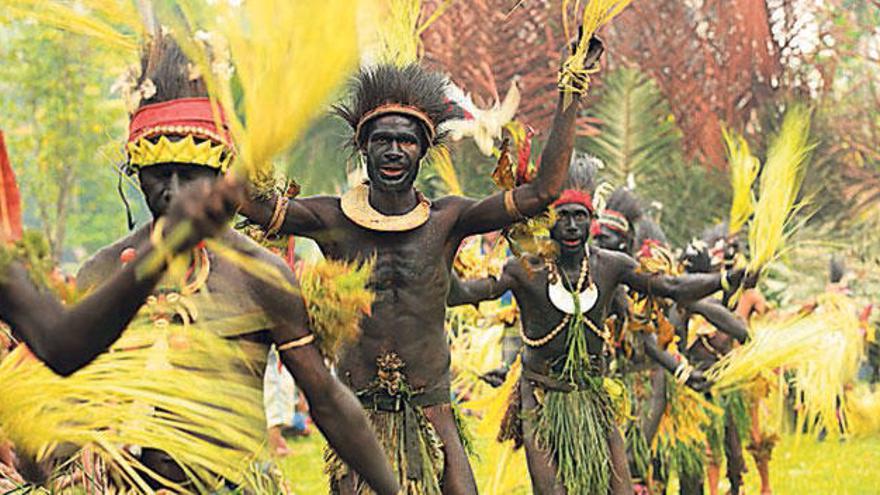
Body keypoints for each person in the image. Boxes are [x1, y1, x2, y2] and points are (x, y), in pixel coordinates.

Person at [238, 34, 605, 493]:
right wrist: (249, 97)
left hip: (434, 409)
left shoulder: (449, 220)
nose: (394, 150)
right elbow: (248, 203)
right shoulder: (329, 218)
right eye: (383, 140)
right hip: (360, 415)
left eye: (406, 141)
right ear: (363, 148)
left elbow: (543, 192)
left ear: (423, 150)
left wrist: (570, 92)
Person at [75, 33, 399, 494]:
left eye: (188, 175)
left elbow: (325, 399)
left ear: (219, 175)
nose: (171, 190)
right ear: (135, 171)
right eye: (156, 173)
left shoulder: (258, 274)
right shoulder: (103, 273)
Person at [448, 159, 744, 494]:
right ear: (548, 221)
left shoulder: (610, 267)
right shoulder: (524, 270)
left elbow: (672, 288)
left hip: (594, 397)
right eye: (563, 216)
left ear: (592, 221)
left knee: (618, 490)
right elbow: (465, 294)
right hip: (542, 400)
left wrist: (724, 279)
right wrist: (441, 260)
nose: (572, 226)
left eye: (580, 216)